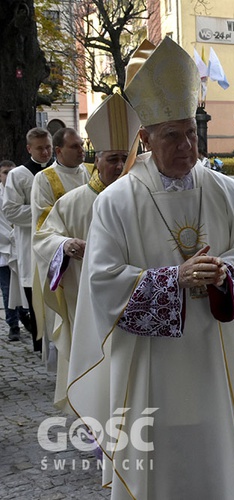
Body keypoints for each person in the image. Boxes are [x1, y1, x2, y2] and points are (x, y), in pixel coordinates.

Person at [66, 37, 234, 498]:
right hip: (152, 370)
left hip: (218, 359)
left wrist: (225, 273)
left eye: (191, 132)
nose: (187, 145)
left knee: (219, 461)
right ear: (144, 137)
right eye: (172, 135)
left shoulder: (227, 191)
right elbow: (102, 281)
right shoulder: (116, 202)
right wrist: (173, 281)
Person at [33, 93, 139, 412]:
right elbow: (43, 237)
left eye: (125, 157)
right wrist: (64, 245)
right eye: (112, 159)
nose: (120, 166)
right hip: (86, 298)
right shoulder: (73, 202)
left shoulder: (143, 199)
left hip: (133, 300)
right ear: (99, 159)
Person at [31, 127, 90, 366]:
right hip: (65, 260)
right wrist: (66, 243)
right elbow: (43, 221)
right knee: (68, 318)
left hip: (93, 253)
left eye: (82, 145)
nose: (81, 151)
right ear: (58, 150)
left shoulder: (92, 172)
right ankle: (69, 363)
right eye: (74, 146)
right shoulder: (45, 178)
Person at [2, 127, 55, 351]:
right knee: (36, 295)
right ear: (29, 148)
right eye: (40, 148)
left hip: (57, 242)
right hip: (30, 244)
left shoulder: (58, 170)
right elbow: (10, 211)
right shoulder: (18, 175)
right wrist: (44, 211)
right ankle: (40, 341)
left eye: (48, 147)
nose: (45, 153)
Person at [0, 160, 22, 341]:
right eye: (6, 172)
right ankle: (13, 324)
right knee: (8, 289)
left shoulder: (19, 192)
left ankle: (26, 317)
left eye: (12, 172)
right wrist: (10, 236)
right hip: (4, 249)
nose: (9, 176)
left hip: (21, 246)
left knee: (24, 286)